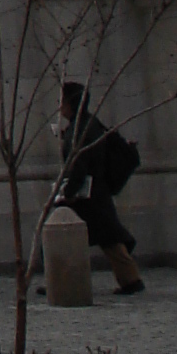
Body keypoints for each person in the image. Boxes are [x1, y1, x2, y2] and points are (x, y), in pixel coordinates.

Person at [56, 84, 145, 294]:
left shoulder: (82, 129)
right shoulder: (87, 124)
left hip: (88, 195)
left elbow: (80, 163)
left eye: (63, 102)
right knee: (109, 238)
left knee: (70, 235)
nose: (60, 107)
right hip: (94, 193)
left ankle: (60, 279)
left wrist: (69, 192)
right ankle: (130, 280)